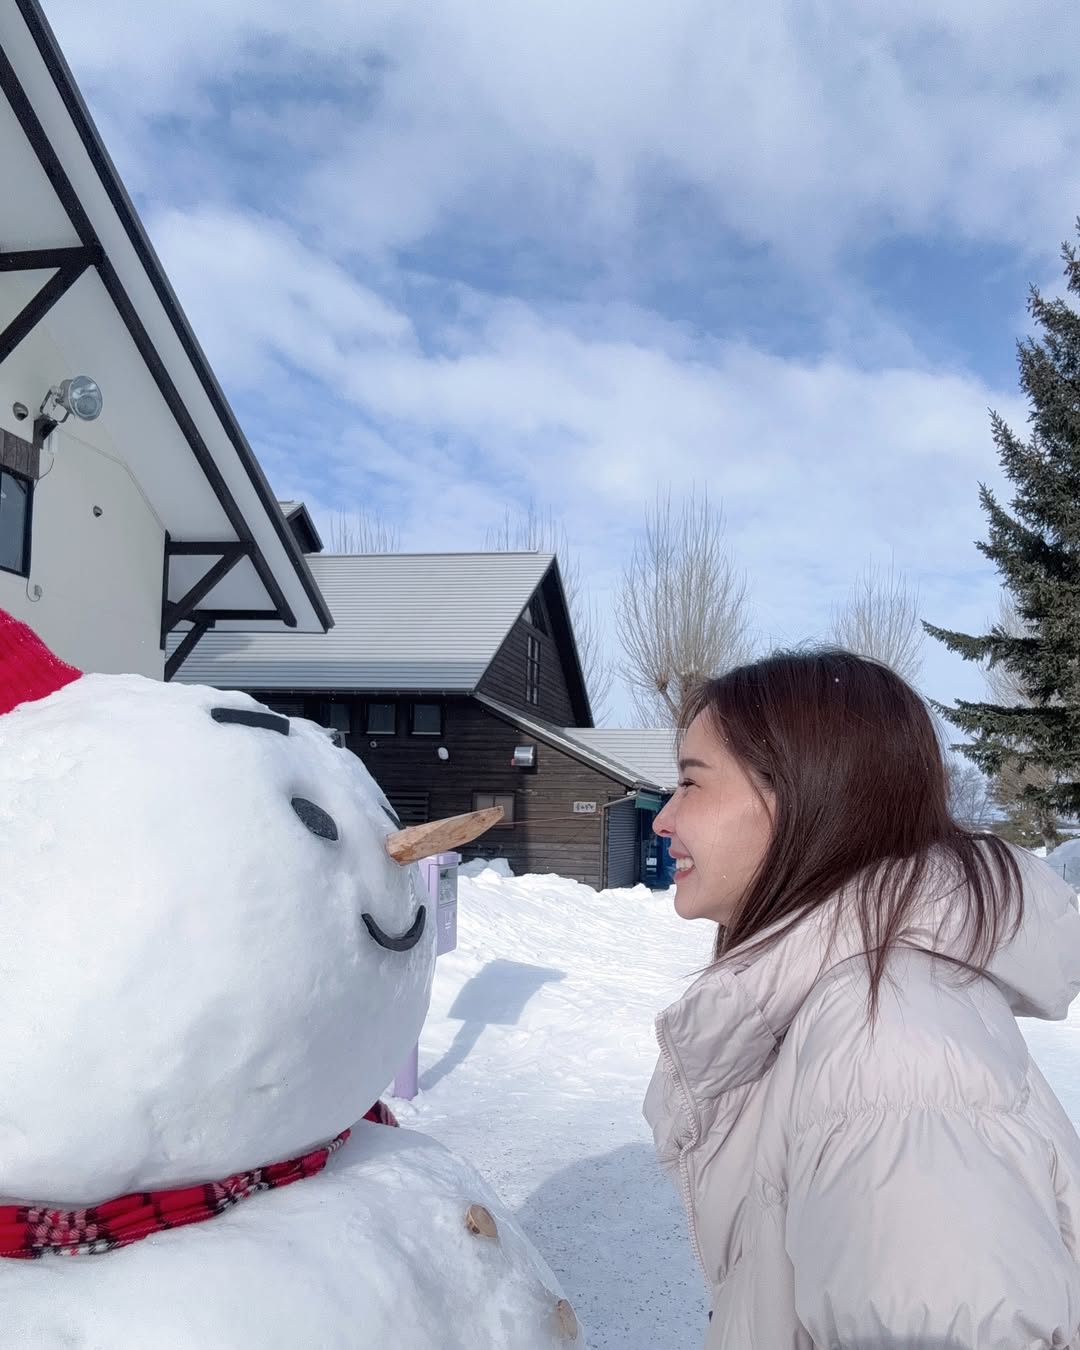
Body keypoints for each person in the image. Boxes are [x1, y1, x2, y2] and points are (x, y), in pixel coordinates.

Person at [644, 649, 1080, 1349]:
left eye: (692, 783)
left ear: (807, 792)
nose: (664, 819)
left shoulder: (890, 1042)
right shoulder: (856, 1005)